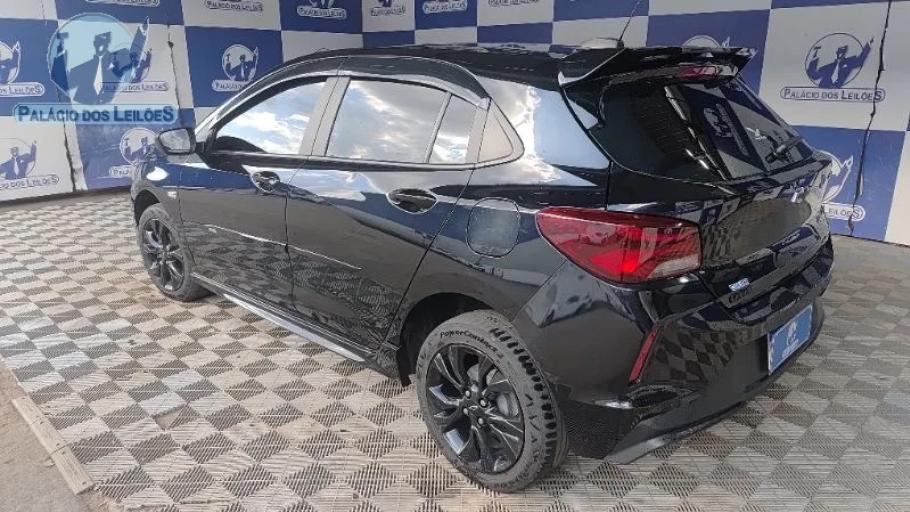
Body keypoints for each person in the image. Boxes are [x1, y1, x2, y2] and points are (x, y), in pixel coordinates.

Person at [807, 39, 874, 89]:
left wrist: (868, 45)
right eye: (839, 51)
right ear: (836, 52)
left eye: (842, 51)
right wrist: (815, 57)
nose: (840, 53)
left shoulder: (848, 62)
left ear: (845, 53)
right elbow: (813, 76)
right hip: (823, 90)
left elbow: (860, 60)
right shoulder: (828, 67)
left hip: (838, 91)